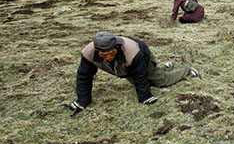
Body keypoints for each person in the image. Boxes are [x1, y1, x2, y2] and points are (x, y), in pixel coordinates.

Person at [64, 32, 200, 115]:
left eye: (111, 52)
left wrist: (145, 97)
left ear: (116, 46)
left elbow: (140, 75)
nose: (108, 56)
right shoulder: (88, 54)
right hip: (126, 69)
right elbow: (84, 77)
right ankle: (166, 67)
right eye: (103, 54)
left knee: (160, 81)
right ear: (97, 50)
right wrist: (82, 101)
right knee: (147, 81)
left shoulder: (132, 52)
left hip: (143, 58)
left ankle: (187, 70)